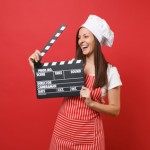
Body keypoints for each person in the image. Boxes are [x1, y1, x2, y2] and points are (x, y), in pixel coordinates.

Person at [28, 15, 122, 150]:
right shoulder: (72, 65)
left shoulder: (110, 72)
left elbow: (115, 109)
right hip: (62, 133)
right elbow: (47, 85)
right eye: (79, 37)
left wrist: (91, 103)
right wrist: (34, 68)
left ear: (96, 39)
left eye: (85, 36)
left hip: (89, 138)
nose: (80, 41)